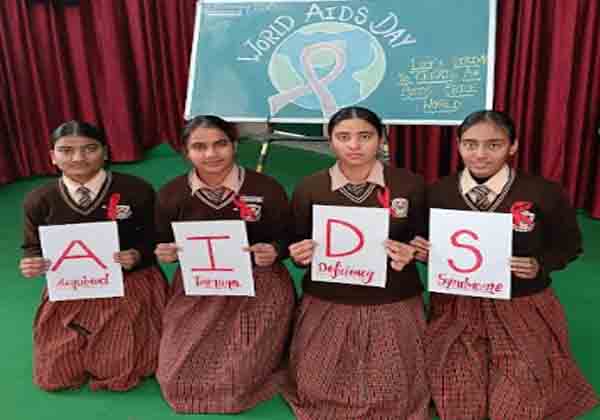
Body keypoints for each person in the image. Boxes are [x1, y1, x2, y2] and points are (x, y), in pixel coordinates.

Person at [411, 110, 599, 419]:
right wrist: (423, 251)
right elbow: (426, 240)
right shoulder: (439, 192)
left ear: (513, 146)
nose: (480, 154)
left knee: (515, 404)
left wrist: (540, 264)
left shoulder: (543, 192)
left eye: (493, 145)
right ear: (458, 145)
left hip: (521, 301)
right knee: (459, 401)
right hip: (457, 305)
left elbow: (569, 245)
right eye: (470, 144)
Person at [283, 106, 430, 419]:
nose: (354, 145)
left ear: (382, 138)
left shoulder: (410, 185)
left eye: (365, 136)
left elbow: (424, 239)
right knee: (316, 387)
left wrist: (414, 252)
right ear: (330, 140)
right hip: (329, 296)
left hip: (392, 295)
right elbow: (295, 243)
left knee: (396, 390)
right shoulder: (310, 187)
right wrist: (299, 255)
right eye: (343, 137)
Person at [154, 115, 295, 413]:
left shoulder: (267, 188)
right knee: (174, 377)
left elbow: (287, 237)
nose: (211, 154)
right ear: (186, 151)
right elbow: (162, 240)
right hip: (199, 283)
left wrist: (275, 250)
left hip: (259, 283)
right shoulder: (171, 194)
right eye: (199, 147)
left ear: (234, 145)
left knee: (237, 377)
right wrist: (166, 252)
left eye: (220, 144)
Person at [19, 120, 168, 391]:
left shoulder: (136, 189)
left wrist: (137, 255)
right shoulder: (39, 199)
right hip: (69, 284)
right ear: (52, 156)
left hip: (129, 280)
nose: (78, 158)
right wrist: (33, 262)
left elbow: (155, 238)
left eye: (89, 149)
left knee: (118, 363)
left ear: (105, 152)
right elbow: (32, 246)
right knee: (57, 373)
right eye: (66, 150)